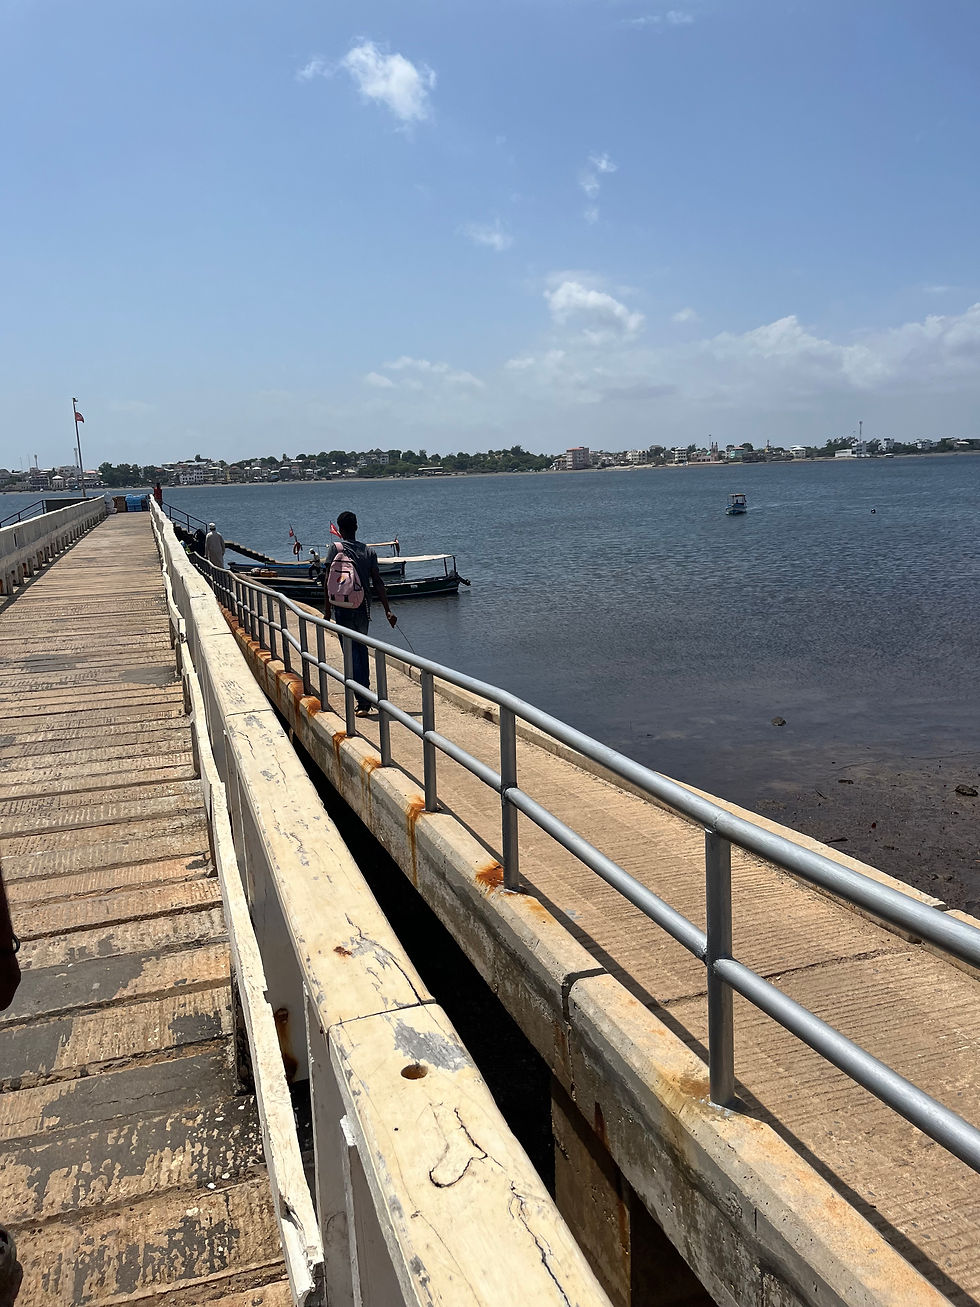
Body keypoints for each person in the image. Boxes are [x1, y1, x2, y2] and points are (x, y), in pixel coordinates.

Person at [323, 511, 397, 716]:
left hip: (341, 608)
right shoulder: (369, 552)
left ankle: (361, 700)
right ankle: (364, 699)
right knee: (361, 650)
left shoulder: (335, 548)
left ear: (339, 529)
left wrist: (328, 610)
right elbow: (378, 582)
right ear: (356, 527)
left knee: (350, 652)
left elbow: (328, 581)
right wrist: (387, 610)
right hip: (362, 608)